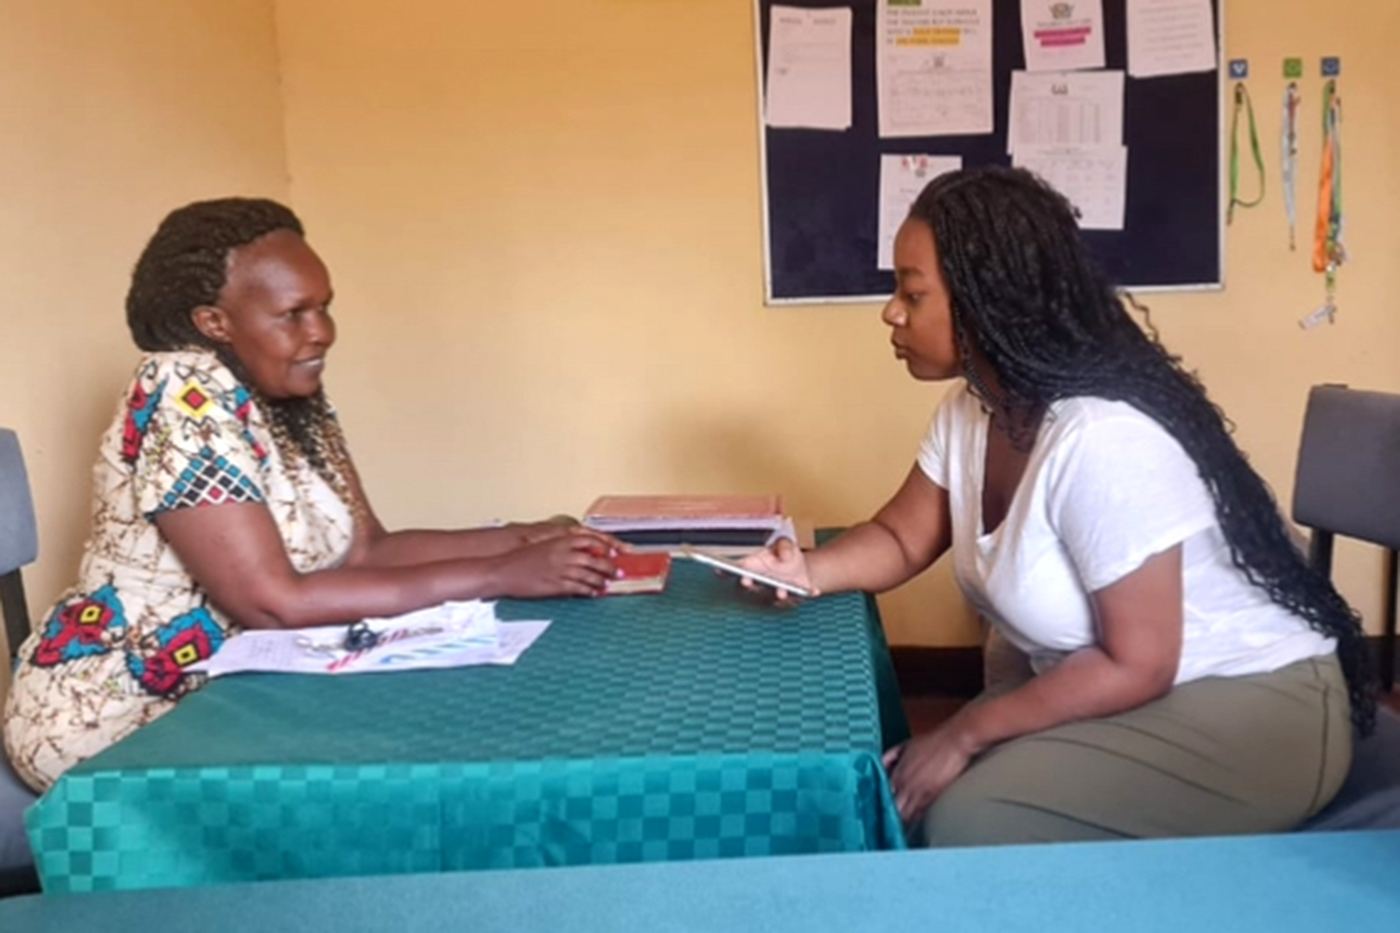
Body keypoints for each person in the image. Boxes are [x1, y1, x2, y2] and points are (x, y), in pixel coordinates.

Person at [742, 166, 1371, 846]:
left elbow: (1141, 661)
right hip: (1129, 689)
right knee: (916, 791)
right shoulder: (977, 410)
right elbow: (901, 536)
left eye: (911, 292)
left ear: (988, 301)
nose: (891, 311)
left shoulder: (1101, 436)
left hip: (1251, 707)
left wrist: (964, 730)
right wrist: (805, 570)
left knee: (969, 820)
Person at [3, 198, 620, 792]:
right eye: (293, 313)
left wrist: (529, 539)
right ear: (213, 322)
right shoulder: (182, 389)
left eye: (324, 308)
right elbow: (272, 603)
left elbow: (366, 552)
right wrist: (501, 572)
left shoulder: (289, 396)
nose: (321, 332)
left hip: (243, 687)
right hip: (124, 711)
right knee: (409, 769)